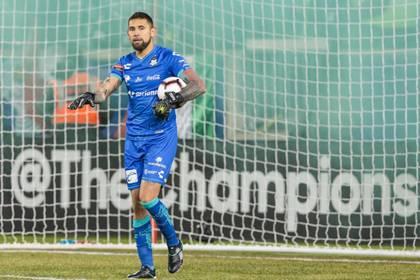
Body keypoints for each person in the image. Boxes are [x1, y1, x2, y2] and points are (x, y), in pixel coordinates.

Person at [68, 11, 206, 279]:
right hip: (133, 141)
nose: (136, 33)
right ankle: (147, 268)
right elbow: (106, 89)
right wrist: (91, 96)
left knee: (147, 197)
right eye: (132, 29)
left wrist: (173, 100)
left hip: (160, 138)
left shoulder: (168, 58)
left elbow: (198, 86)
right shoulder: (125, 63)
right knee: (136, 204)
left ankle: (174, 243)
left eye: (141, 28)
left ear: (152, 32)